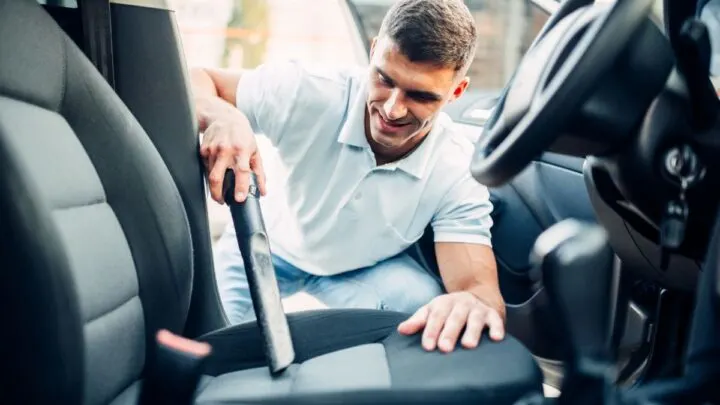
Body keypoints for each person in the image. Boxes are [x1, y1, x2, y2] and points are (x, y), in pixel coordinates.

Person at [190, 0, 505, 354]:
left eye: (419, 96)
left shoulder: (456, 169)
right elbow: (197, 79)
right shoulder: (309, 91)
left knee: (431, 310)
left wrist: (472, 304)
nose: (392, 109)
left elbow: (477, 291)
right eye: (385, 79)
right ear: (373, 53)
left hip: (361, 269)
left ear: (456, 92)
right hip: (266, 243)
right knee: (208, 348)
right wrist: (224, 116)